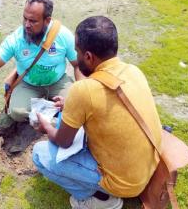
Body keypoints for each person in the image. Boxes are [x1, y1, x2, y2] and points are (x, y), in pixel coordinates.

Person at [32, 16, 162, 209]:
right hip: (150, 167)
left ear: (89, 57)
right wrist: (71, 105)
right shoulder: (133, 70)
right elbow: (107, 104)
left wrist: (45, 127)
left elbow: (63, 141)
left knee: (39, 154)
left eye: (77, 51)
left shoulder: (84, 89)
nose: (75, 57)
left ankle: (99, 199)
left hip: (124, 184)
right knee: (66, 122)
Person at [0, 0, 82, 122]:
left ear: (47, 20)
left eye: (33, 21)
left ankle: (47, 115)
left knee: (77, 106)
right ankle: (50, 119)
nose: (26, 25)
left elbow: (78, 65)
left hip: (58, 82)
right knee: (17, 112)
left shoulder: (63, 35)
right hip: (28, 84)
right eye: (25, 18)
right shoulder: (17, 38)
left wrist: (80, 91)